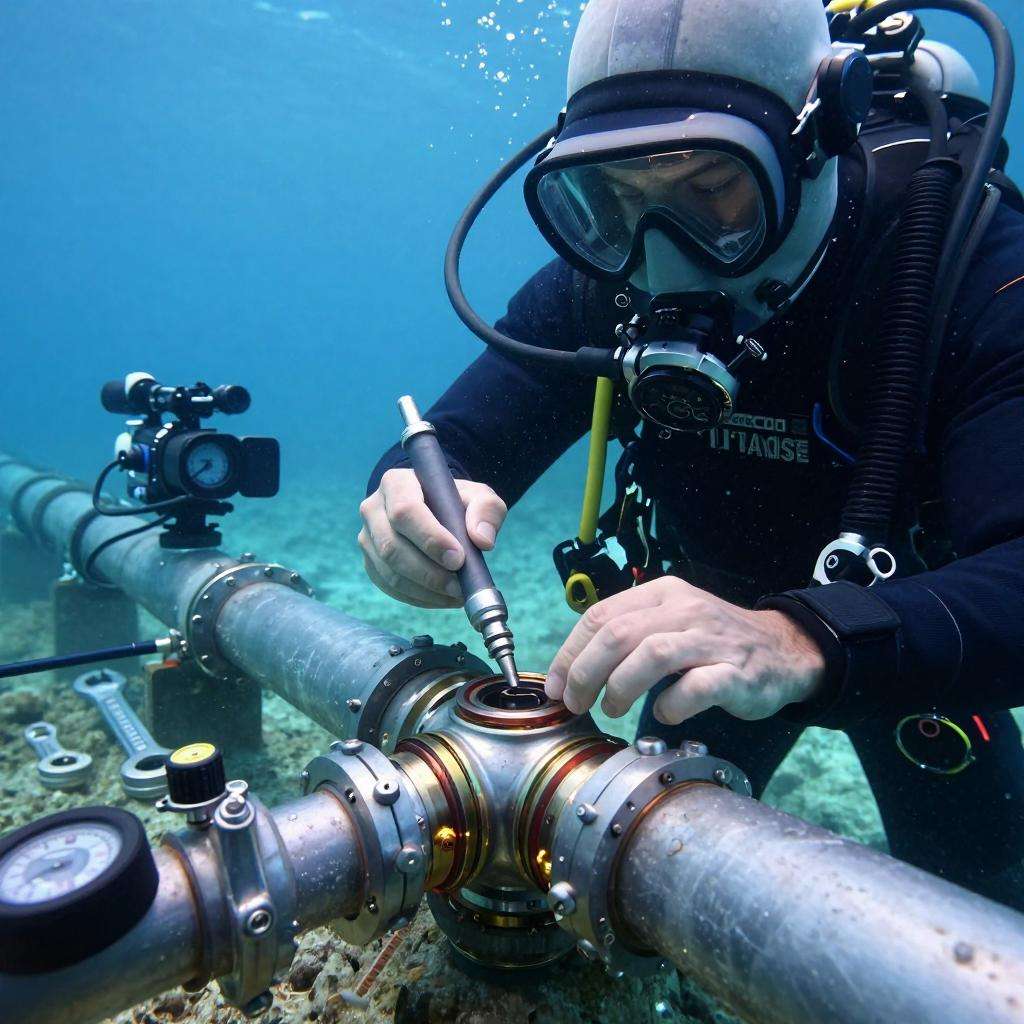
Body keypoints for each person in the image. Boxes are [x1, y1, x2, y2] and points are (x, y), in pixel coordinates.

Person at [363, 0, 1024, 908]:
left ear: (812, 142)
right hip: (701, 633)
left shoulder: (966, 265)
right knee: (610, 885)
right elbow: (456, 441)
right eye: (614, 198)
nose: (661, 253)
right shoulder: (605, 286)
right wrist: (404, 503)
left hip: (913, 647)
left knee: (979, 907)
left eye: (713, 187)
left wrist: (800, 637)